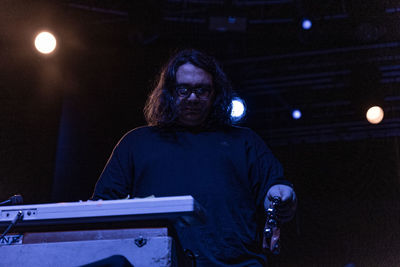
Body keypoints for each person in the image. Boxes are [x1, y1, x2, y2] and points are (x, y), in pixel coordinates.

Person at [92, 49, 297, 266]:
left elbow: (275, 189)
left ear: (215, 93)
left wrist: (282, 195)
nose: (192, 98)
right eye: (184, 89)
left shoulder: (245, 141)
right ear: (169, 92)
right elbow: (103, 205)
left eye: (202, 90)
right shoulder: (136, 143)